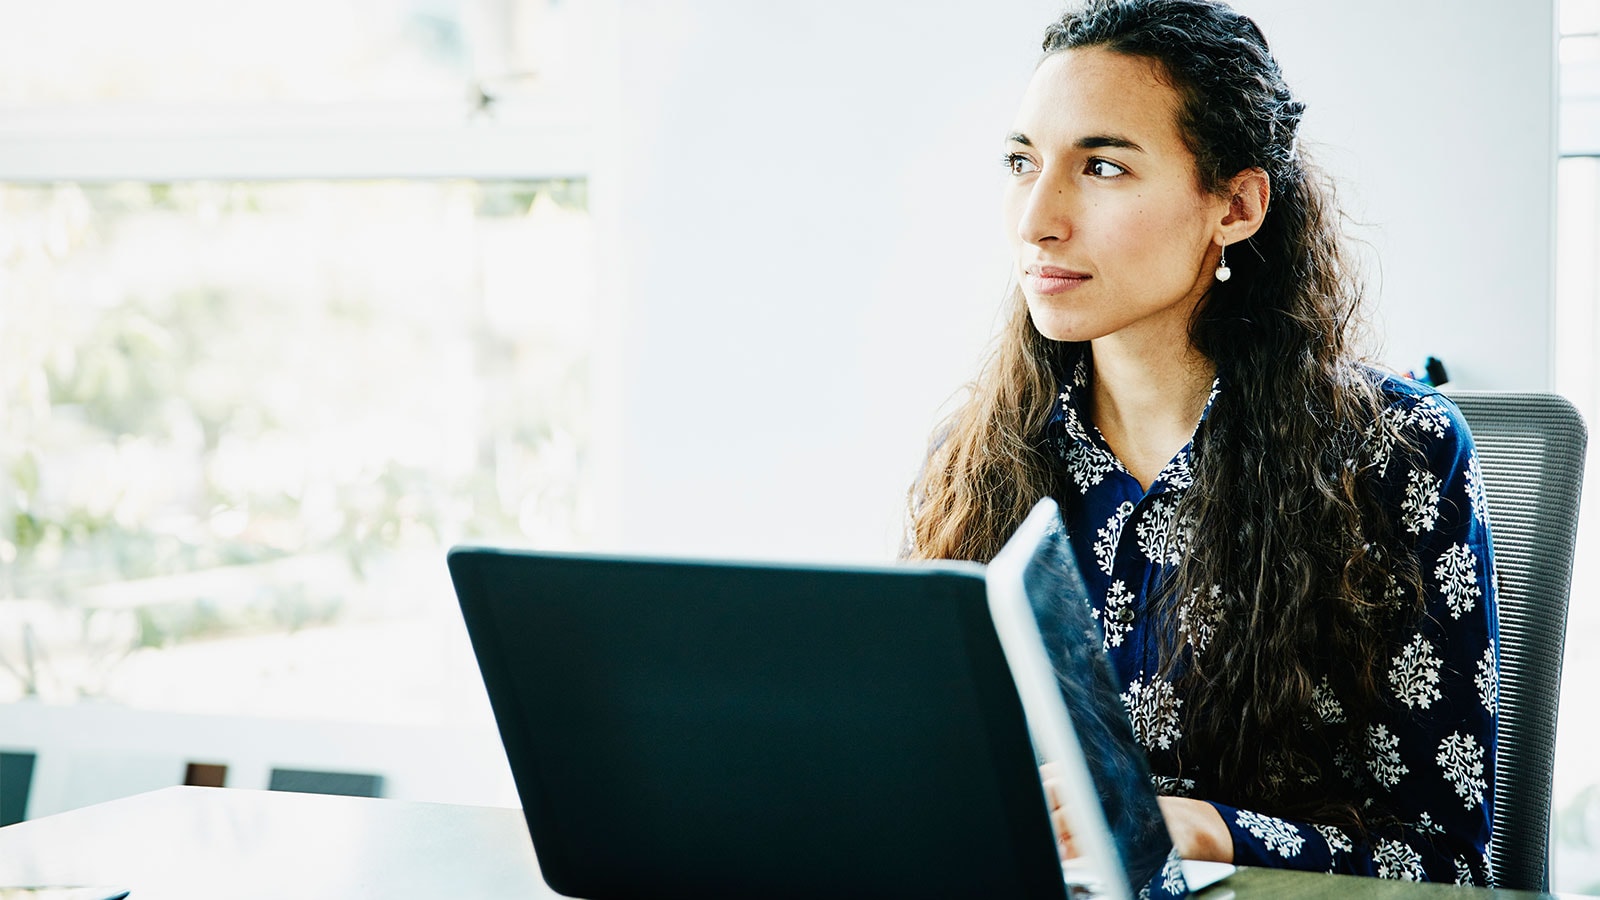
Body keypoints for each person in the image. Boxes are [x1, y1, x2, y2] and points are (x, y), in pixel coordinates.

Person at [905, 0, 1497, 885]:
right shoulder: (977, 452)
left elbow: (1444, 860)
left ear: (1237, 206)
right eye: (1022, 162)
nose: (1036, 219)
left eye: (1102, 166)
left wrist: (1215, 831)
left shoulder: (1394, 452)